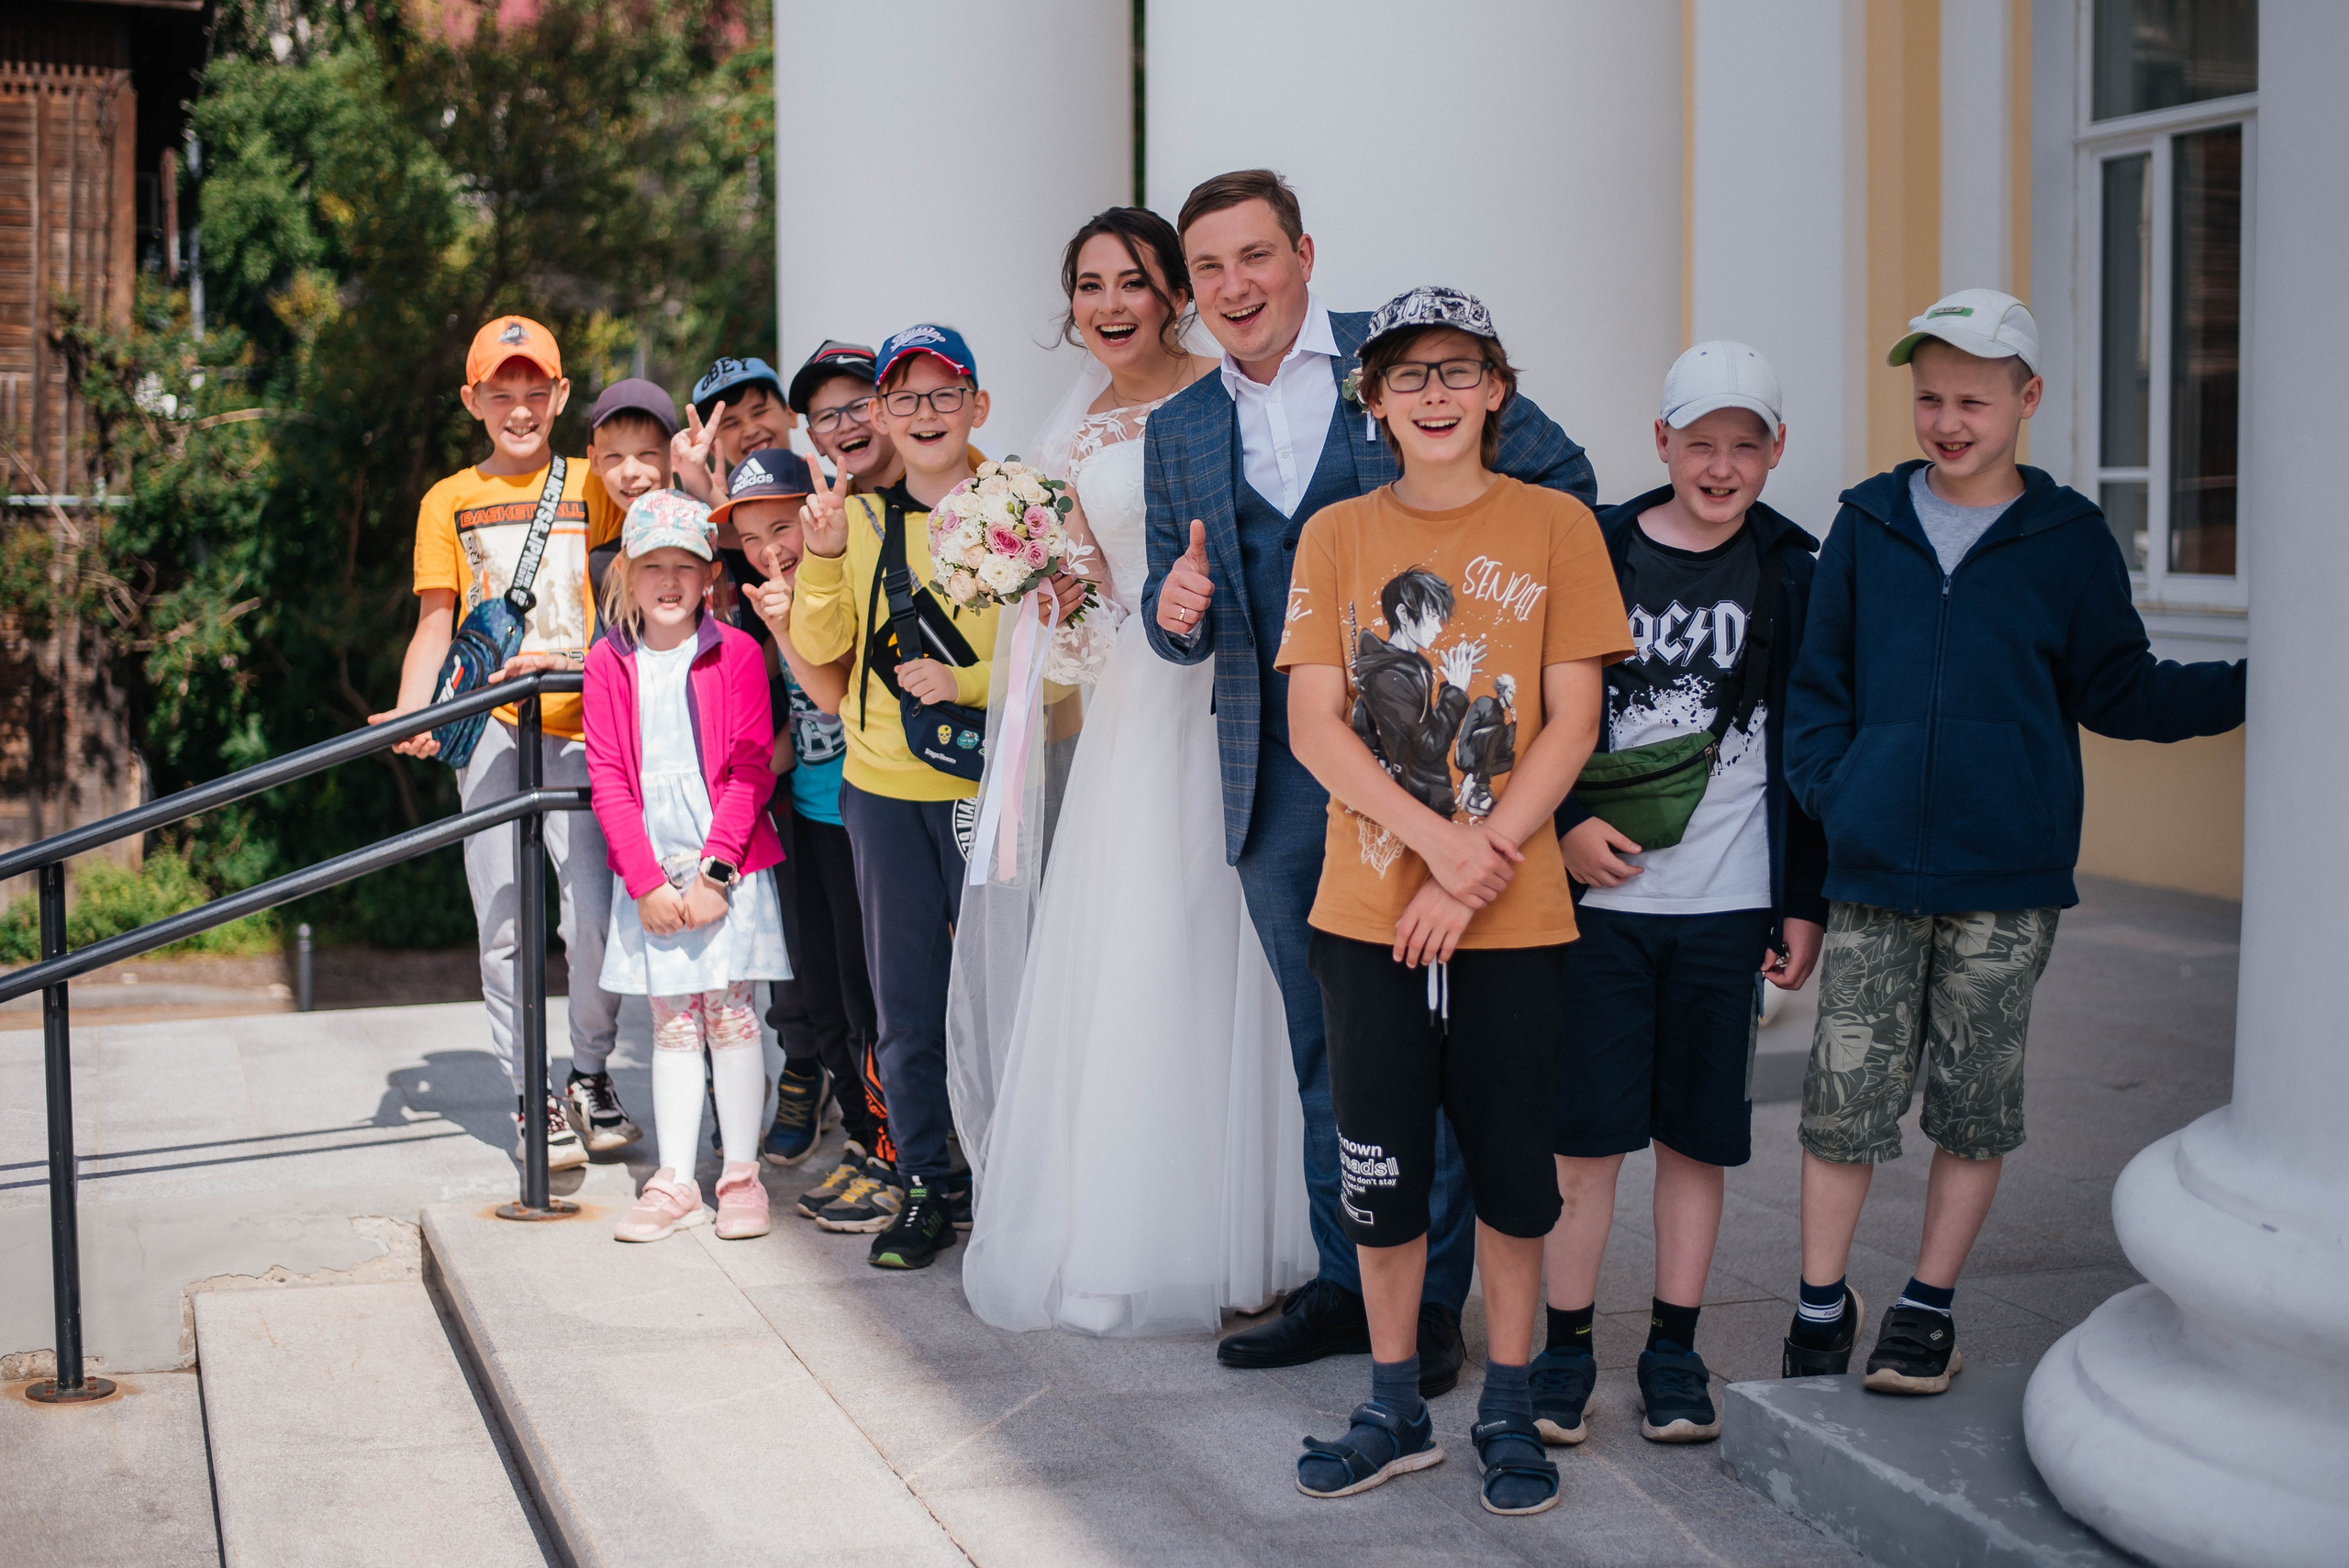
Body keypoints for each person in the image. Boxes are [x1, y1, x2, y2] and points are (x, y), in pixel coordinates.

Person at [1141, 170, 1598, 1395]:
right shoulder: (1178, 431)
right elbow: (1170, 610)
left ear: (1301, 254)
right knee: (1331, 1046)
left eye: (1256, 257)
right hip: (1286, 775)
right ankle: (1357, 1281)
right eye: (1211, 270)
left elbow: (1567, 480)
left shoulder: (1404, 360)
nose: (1236, 287)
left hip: (1451, 765)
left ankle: (1437, 1304)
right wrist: (1172, 608)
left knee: (1451, 1045)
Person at [1781, 289, 2246, 1393]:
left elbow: (2118, 688)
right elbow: (1818, 685)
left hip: (2005, 876)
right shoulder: (1866, 522)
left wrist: (2258, 683)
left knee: (1974, 1101)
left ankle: (1924, 1306)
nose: (1947, 420)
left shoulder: (2068, 539)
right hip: (1874, 867)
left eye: (1974, 400)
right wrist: (1837, 793)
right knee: (1843, 1102)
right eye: (1930, 396)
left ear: (2025, 400)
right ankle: (1815, 1302)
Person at [1275, 287, 1627, 1515]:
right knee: (1377, 1169)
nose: (1434, 391)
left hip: (1515, 914)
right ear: (1373, 403)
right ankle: (1391, 1405)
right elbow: (1315, 723)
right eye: (1408, 374)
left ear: (1497, 391)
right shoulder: (1334, 537)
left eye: (1458, 369)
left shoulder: (1556, 525)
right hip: (1369, 908)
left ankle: (1512, 1406)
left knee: (1515, 1172)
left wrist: (1487, 860)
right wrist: (1441, 849)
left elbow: (1573, 715)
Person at [953, 207, 1315, 1336]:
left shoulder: (1225, 402)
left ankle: (1273, 1232)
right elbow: (1090, 600)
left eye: (1131, 282)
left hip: (1237, 700)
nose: (1109, 305)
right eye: (1088, 285)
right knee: (1145, 949)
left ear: (1172, 295)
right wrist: (1053, 599)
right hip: (1132, 720)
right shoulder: (1069, 440)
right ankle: (1137, 1230)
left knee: (1248, 953)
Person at [1537, 342, 1827, 1450]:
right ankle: (1566, 1346)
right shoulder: (1593, 548)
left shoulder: (1794, 570)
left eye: (1742, 444)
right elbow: (1526, 707)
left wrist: (1803, 899)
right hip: (1598, 910)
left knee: (1697, 1143)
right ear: (1659, 443)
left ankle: (1673, 1348)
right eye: (1697, 441)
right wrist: (1560, 829)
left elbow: (1806, 743)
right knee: (1584, 1145)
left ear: (1774, 451)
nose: (1719, 465)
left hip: (1725, 902)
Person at [792, 325, 1080, 1270]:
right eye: (903, 399)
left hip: (991, 785)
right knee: (904, 995)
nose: (923, 415)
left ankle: (1016, 1176)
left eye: (941, 395)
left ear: (977, 407)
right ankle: (927, 1181)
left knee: (1007, 989)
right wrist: (824, 555)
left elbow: (1066, 670)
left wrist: (966, 686)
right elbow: (821, 645)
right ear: (879, 414)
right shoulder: (861, 517)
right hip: (880, 788)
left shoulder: (1026, 508)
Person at [373, 315, 630, 1171]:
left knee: (591, 915)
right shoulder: (447, 498)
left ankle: (589, 1074)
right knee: (505, 923)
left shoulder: (595, 483)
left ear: (560, 395)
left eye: (535, 391)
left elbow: (640, 586)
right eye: (500, 392)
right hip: (491, 729)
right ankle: (530, 1098)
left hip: (584, 728)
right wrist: (414, 711)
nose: (519, 408)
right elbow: (435, 622)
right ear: (473, 400)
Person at [584, 489, 791, 1243]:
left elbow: (748, 769)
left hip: (722, 869)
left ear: (710, 577)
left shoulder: (734, 652)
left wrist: (715, 875)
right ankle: (675, 1180)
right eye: (653, 566)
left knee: (732, 1015)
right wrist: (642, 880)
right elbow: (607, 775)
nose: (669, 581)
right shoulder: (608, 662)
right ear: (628, 575)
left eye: (686, 567)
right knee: (671, 1020)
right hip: (649, 876)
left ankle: (741, 1175)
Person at [714, 451, 890, 1208]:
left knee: (873, 997)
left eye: (781, 526)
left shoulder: (847, 575)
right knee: (824, 997)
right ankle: (860, 1136)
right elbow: (787, 732)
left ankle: (893, 1147)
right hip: (807, 821)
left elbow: (842, 687)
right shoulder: (757, 602)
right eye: (750, 538)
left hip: (871, 814)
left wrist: (788, 624)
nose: (767, 549)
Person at [672, 355, 796, 506]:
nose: (750, 431)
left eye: (759, 412)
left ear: (791, 415)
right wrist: (701, 486)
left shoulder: (829, 496)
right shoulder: (714, 514)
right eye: (731, 424)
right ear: (712, 447)